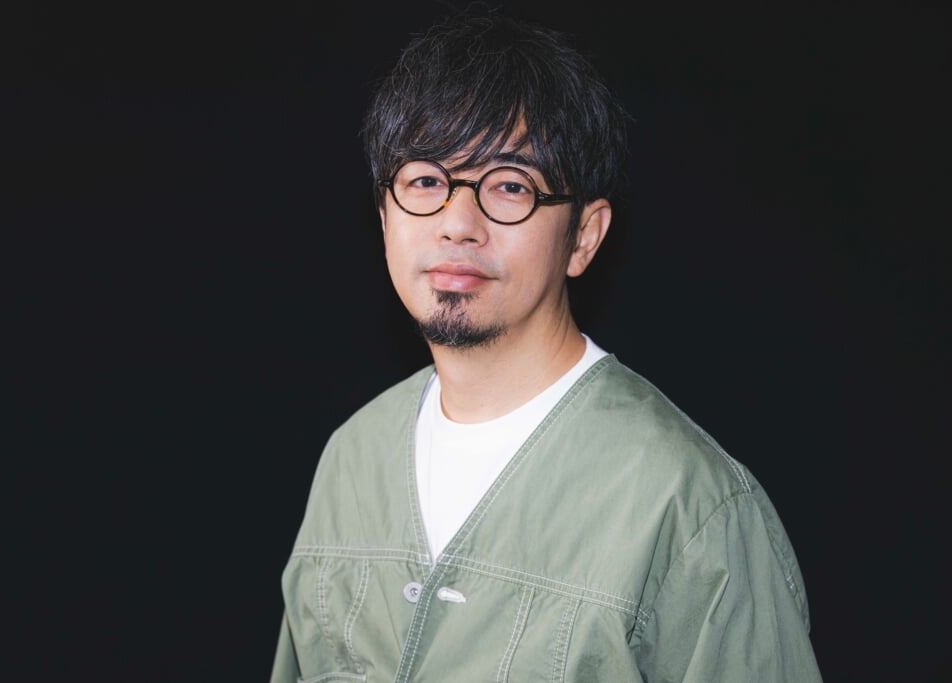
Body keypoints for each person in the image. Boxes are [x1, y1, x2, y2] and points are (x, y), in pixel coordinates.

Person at [270, 8, 822, 682]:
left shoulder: (687, 505)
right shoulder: (352, 460)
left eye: (510, 186)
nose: (457, 223)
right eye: (425, 181)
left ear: (583, 236)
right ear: (384, 214)